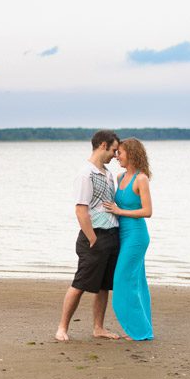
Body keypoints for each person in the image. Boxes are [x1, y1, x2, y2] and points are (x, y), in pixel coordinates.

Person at [55, 129, 121, 341]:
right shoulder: (86, 173)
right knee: (80, 284)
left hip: (112, 236)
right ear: (103, 145)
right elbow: (81, 209)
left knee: (103, 287)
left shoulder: (108, 174)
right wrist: (92, 238)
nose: (115, 155)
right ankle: (62, 328)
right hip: (94, 238)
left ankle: (98, 328)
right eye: (113, 150)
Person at [104, 137, 154, 341]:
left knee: (123, 281)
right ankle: (139, 328)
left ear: (131, 154)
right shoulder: (119, 177)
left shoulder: (141, 179)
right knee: (136, 282)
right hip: (122, 235)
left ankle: (140, 331)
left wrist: (120, 211)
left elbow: (148, 211)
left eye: (120, 153)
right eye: (116, 153)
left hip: (136, 235)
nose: (117, 157)